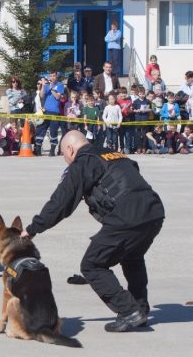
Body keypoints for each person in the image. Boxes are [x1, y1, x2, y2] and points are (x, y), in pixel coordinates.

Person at [21, 130, 164, 332]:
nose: (66, 160)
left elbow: (62, 201)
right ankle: (139, 309)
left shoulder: (83, 162)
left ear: (70, 149)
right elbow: (133, 172)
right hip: (154, 211)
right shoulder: (112, 153)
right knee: (132, 256)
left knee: (92, 265)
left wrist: (33, 228)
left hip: (127, 217)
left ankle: (129, 310)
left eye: (64, 155)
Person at [35, 71, 65, 156]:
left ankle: (52, 150)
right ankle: (38, 149)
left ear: (56, 77)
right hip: (46, 111)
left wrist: (52, 88)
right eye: (50, 76)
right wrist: (43, 86)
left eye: (53, 76)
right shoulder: (47, 85)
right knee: (41, 129)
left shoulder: (60, 85)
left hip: (55, 112)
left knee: (53, 131)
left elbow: (58, 97)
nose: (52, 77)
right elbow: (41, 96)